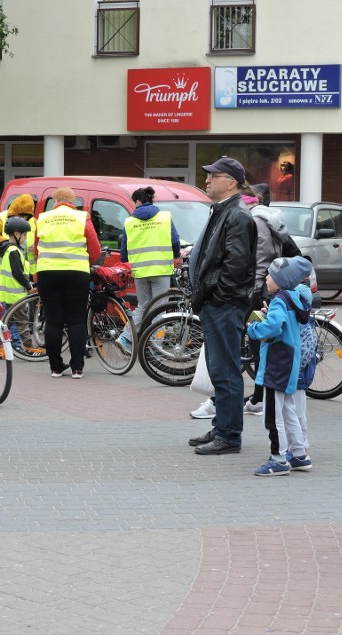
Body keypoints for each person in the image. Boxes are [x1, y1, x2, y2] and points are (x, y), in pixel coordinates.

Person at [187, 157, 257, 455]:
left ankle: (229, 435)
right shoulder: (225, 211)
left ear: (231, 182)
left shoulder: (237, 216)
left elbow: (236, 266)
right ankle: (222, 427)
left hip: (224, 305)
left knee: (226, 371)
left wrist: (216, 297)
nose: (207, 181)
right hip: (218, 304)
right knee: (219, 370)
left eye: (213, 176)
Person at [247, 256, 314, 476]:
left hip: (277, 363)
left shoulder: (278, 300)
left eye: (271, 275)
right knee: (288, 411)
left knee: (272, 416)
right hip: (290, 362)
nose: (266, 278)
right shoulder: (293, 298)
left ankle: (278, 460)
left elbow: (274, 327)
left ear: (282, 280)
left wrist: (254, 329)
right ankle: (299, 455)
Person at [242, 184, 302, 416]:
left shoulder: (254, 222)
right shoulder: (274, 221)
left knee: (258, 340)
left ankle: (260, 397)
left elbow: (244, 257)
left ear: (253, 200)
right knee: (260, 343)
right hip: (269, 286)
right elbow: (294, 253)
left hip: (254, 288)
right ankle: (261, 395)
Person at [34, 187, 101, 379]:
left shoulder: (43, 218)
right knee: (76, 320)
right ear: (73, 200)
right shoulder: (82, 217)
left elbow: (36, 248)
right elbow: (94, 247)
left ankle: (56, 367)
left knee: (53, 321)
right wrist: (85, 262)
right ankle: (77, 368)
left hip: (48, 272)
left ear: (55, 200)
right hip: (76, 272)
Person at [117, 186, 181, 354]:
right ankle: (155, 348)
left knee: (143, 306)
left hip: (140, 270)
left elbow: (124, 247)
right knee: (160, 308)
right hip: (161, 269)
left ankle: (125, 338)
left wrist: (125, 259)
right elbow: (175, 240)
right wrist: (175, 255)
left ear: (138, 201)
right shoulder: (165, 217)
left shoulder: (130, 221)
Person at [0, 194, 36, 303]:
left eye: (25, 217)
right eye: (21, 216)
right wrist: (8, 245)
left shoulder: (33, 222)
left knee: (13, 313)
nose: (23, 219)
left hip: (18, 278)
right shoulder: (1, 218)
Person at [0, 215, 33, 310]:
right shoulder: (13, 251)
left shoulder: (7, 249)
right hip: (17, 296)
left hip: (10, 296)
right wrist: (28, 286)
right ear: (16, 234)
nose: (26, 238)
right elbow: (18, 273)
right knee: (22, 321)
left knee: (10, 321)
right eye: (24, 235)